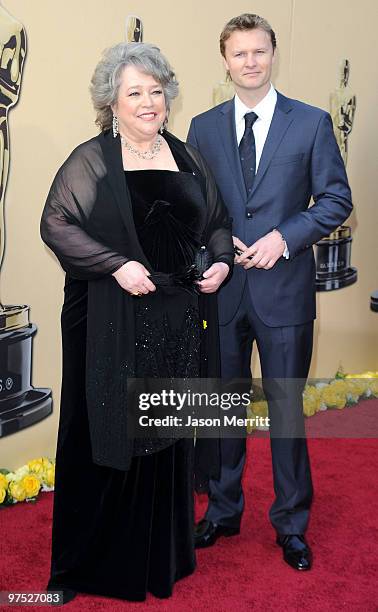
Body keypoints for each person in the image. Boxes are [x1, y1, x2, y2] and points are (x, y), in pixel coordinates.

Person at [40, 42, 233, 603]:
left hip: (172, 321)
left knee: (164, 436)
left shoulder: (187, 155)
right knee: (102, 432)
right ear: (112, 103)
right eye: (135, 94)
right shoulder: (92, 159)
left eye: (156, 91)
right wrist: (117, 265)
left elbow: (216, 221)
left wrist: (220, 261)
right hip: (108, 320)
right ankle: (85, 567)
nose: (149, 102)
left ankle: (158, 561)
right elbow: (57, 224)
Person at [187, 13, 352, 570]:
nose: (250, 62)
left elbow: (335, 201)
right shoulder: (203, 129)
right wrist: (215, 239)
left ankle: (291, 523)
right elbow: (196, 208)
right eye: (239, 54)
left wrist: (284, 237)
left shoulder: (311, 123)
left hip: (285, 296)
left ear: (273, 54)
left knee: (284, 411)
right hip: (225, 291)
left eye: (259, 52)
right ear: (225, 60)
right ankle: (223, 511)